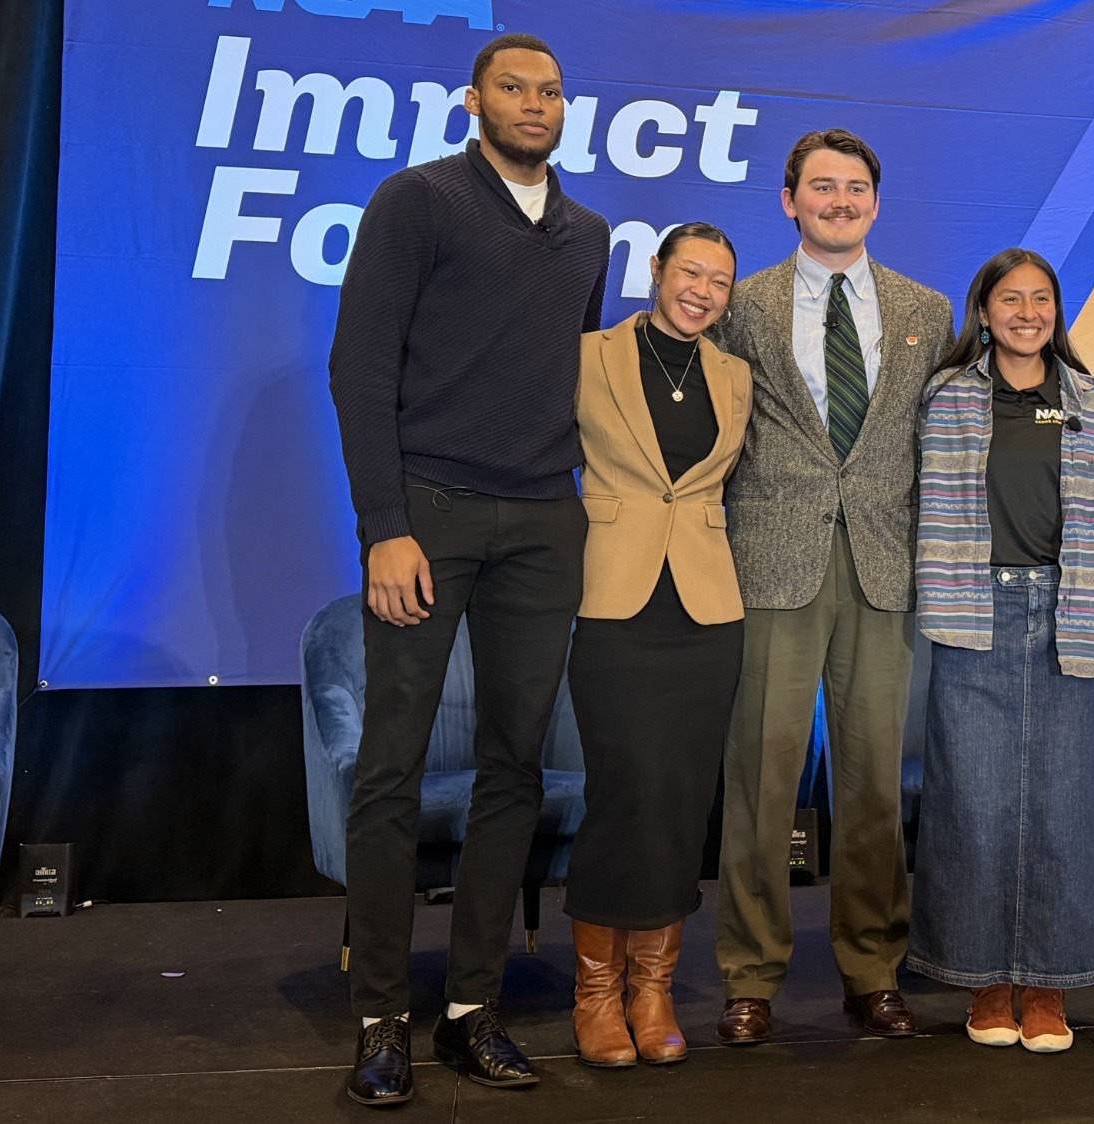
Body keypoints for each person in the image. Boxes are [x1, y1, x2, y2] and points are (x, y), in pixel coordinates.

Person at [327, 33, 609, 1108]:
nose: (534, 105)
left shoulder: (588, 232)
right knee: (392, 766)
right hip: (428, 517)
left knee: (514, 768)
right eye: (514, 88)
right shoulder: (417, 200)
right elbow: (360, 367)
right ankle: (381, 1016)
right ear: (473, 100)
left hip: (546, 520)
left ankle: (470, 1009)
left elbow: (569, 374)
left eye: (550, 90)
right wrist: (382, 525)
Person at [708, 129, 955, 1044]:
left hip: (886, 567)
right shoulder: (743, 306)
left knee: (872, 785)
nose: (839, 201)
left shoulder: (926, 310)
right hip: (772, 563)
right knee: (763, 779)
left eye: (855, 187)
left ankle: (872, 969)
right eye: (821, 187)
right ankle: (750, 974)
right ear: (788, 201)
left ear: (877, 204)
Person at [909, 249, 1094, 1053]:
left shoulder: (1087, 399)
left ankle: (1048, 988)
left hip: (1065, 613)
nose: (1026, 312)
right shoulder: (947, 394)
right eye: (1010, 299)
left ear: (1057, 312)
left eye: (1041, 299)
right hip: (973, 613)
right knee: (975, 803)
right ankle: (985, 981)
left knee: (1067, 806)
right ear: (985, 310)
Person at [563, 223, 750, 1067]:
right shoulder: (588, 354)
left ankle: (655, 988)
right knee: (623, 789)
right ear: (656, 271)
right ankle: (596, 993)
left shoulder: (735, 375)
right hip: (614, 596)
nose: (702, 291)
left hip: (707, 608)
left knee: (680, 797)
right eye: (690, 273)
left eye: (719, 281)